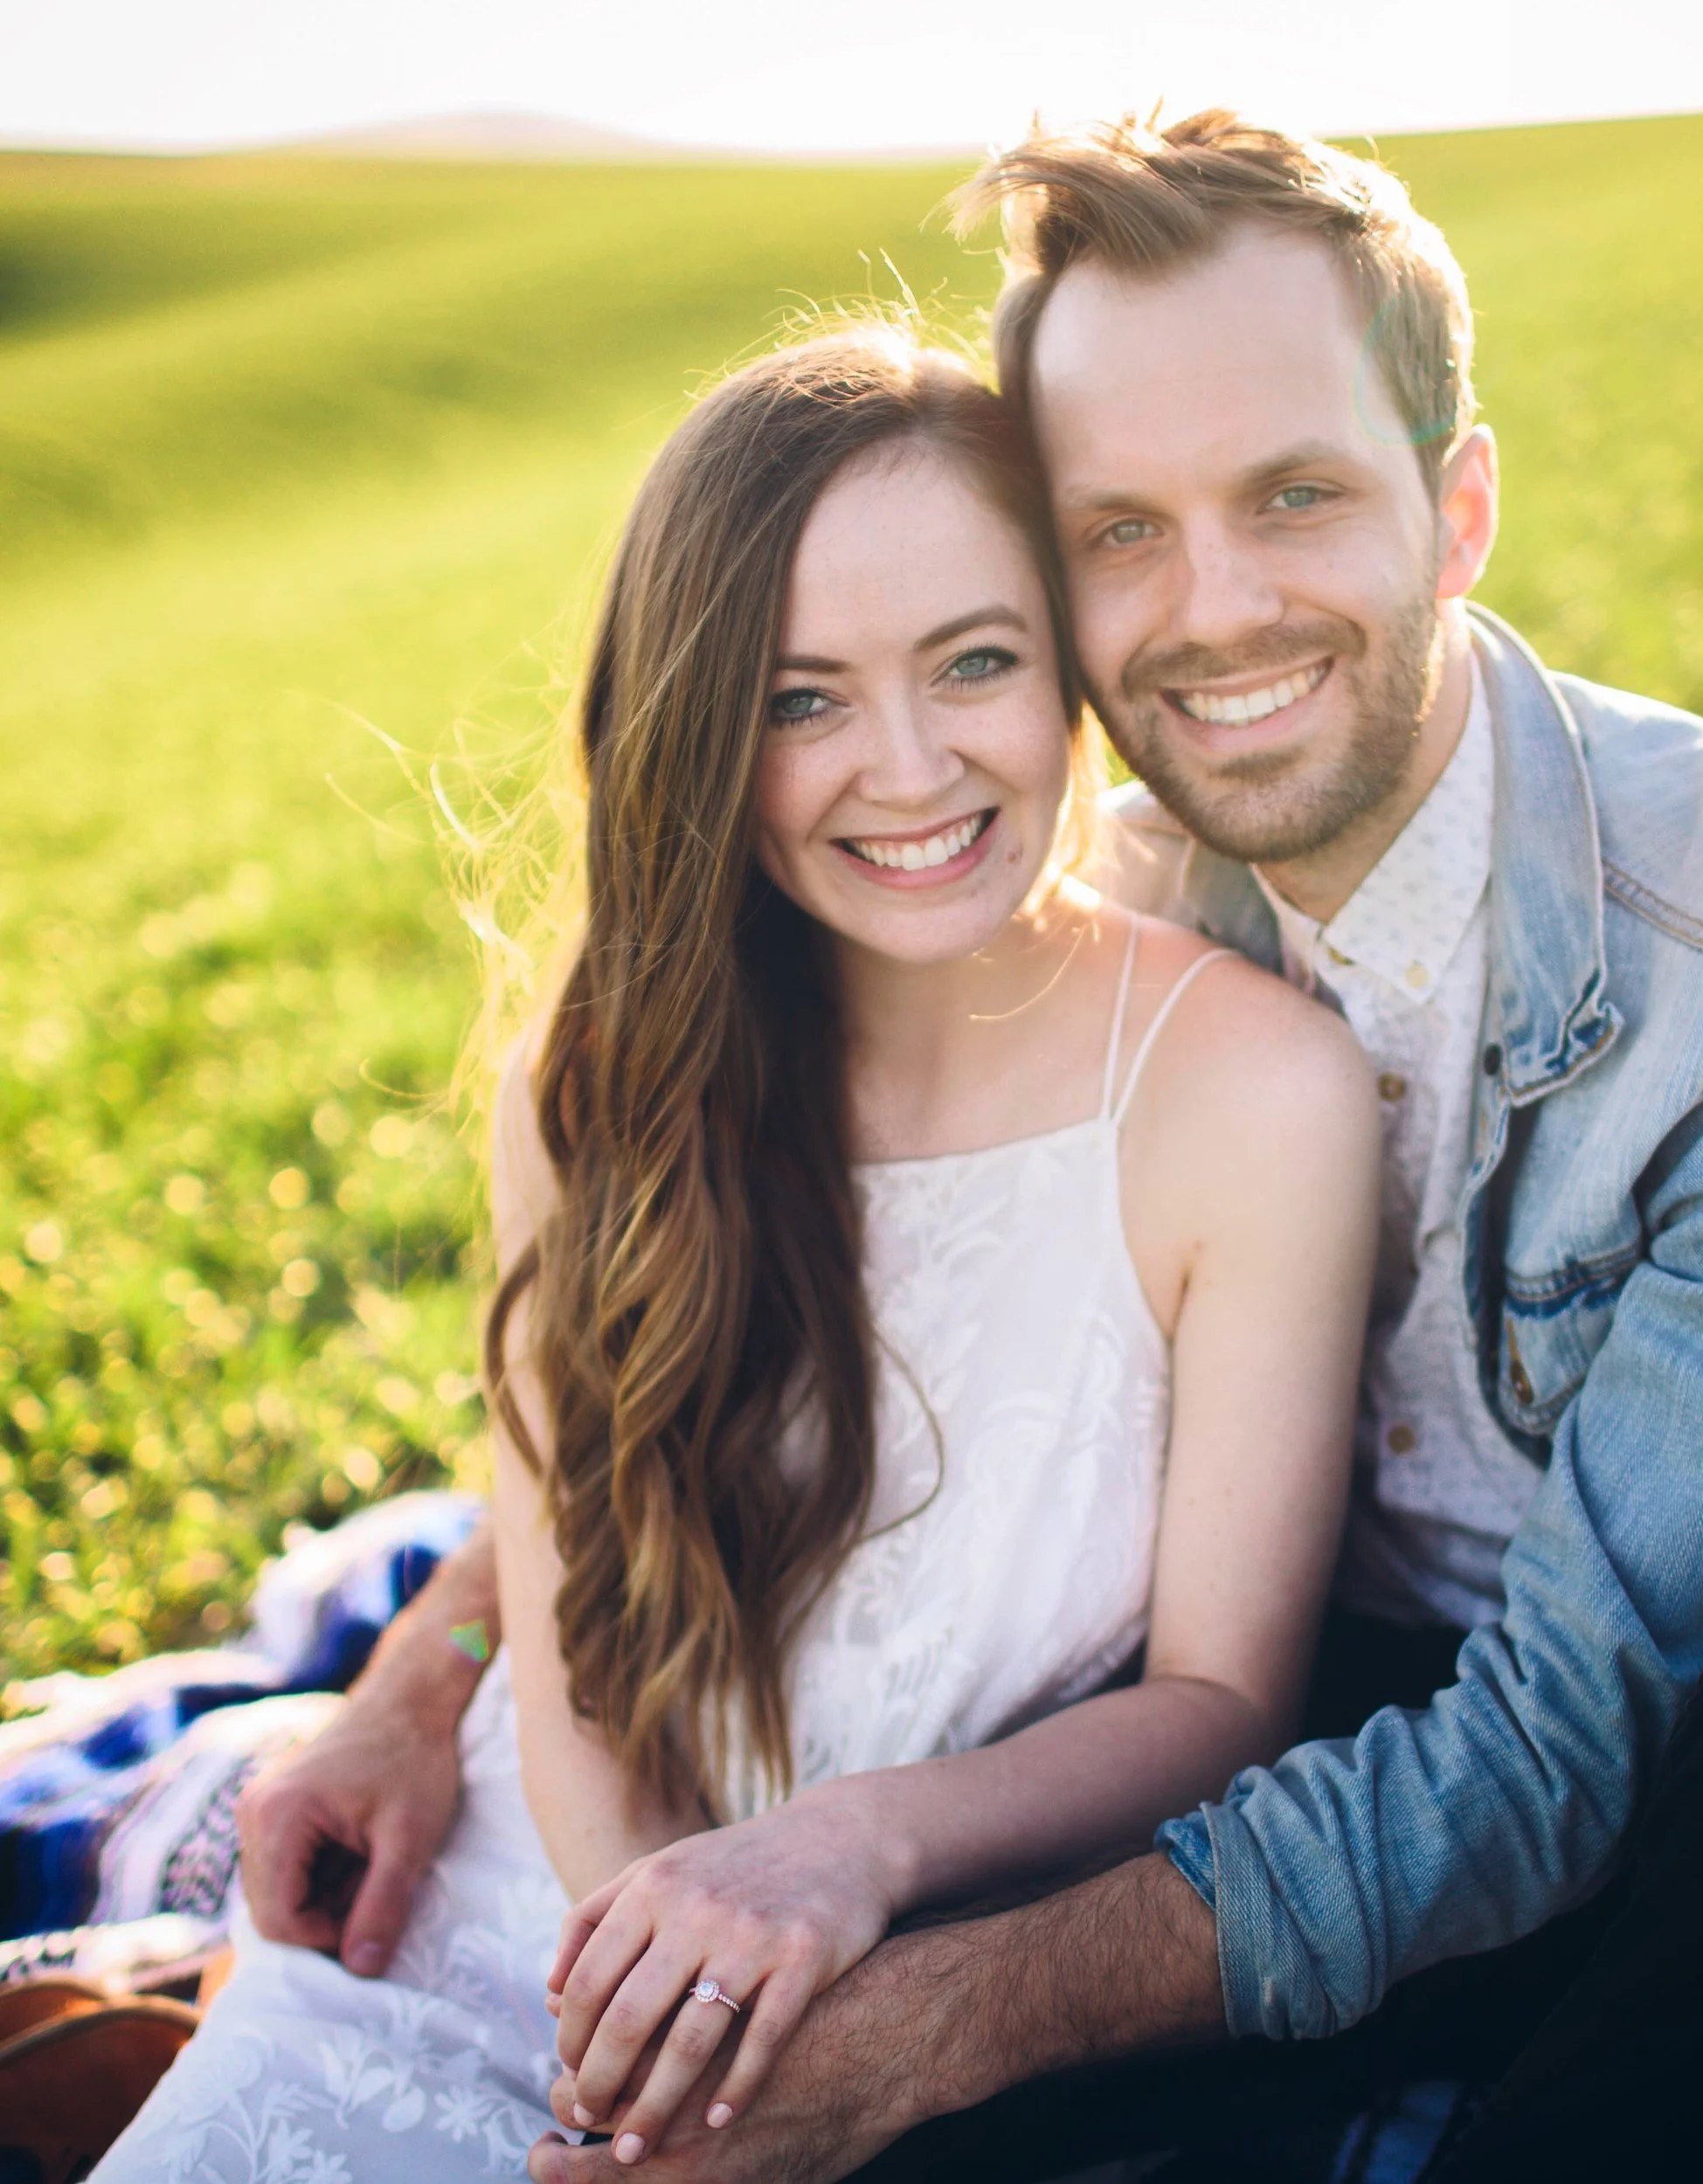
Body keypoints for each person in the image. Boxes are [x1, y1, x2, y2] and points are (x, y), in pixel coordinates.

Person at [244, 115, 1703, 2184]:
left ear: (1457, 507)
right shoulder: (1087, 891)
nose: (1211, 612)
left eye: (1294, 496)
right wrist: (423, 1672)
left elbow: (1559, 1750)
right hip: (1290, 1741)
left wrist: (936, 2023)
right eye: (1119, 529)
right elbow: (687, 1365)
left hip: (1652, 1786)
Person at [94, 326, 1383, 2181]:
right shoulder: (592, 1085)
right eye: (802, 700)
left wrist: (849, 1854)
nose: (911, 766)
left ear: (1071, 667)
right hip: (528, 1915)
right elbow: (561, 1620)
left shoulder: (1248, 1092)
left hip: (911, 1965)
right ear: (697, 727)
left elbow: (1222, 1704)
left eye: (977, 661)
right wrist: (652, 1993)